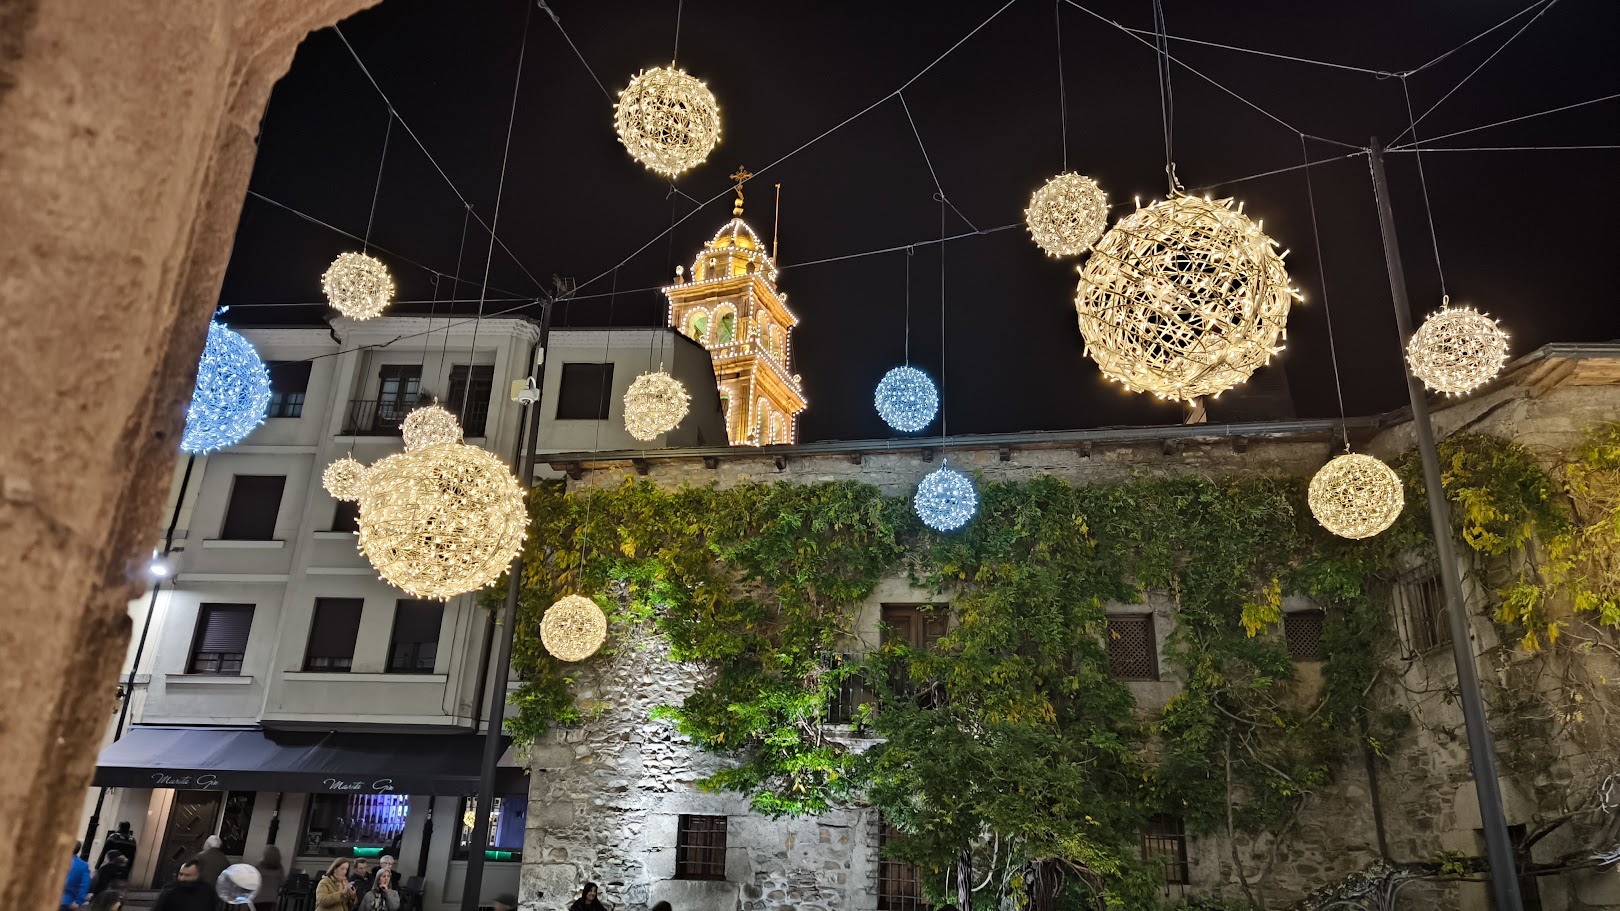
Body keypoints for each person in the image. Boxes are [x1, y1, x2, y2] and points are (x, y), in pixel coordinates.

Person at [150, 861, 218, 911]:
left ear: (198, 876)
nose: (182, 878)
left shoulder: (207, 891)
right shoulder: (170, 890)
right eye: (181, 874)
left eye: (187, 875)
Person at [253, 845, 285, 911]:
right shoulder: (279, 869)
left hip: (258, 897)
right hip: (271, 898)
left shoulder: (258, 867)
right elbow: (282, 882)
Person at [62, 842, 91, 911]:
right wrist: (78, 902)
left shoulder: (56, 860)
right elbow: (85, 885)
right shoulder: (83, 866)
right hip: (67, 902)